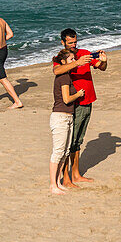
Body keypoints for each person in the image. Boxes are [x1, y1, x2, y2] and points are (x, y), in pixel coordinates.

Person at [53, 28, 106, 186]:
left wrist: (103, 60)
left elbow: (102, 67)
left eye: (75, 42)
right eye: (70, 43)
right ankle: (67, 178)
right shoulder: (62, 57)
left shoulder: (84, 52)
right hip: (74, 104)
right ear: (63, 42)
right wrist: (77, 62)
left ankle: (75, 174)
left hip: (88, 101)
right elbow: (56, 71)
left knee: (78, 141)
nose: (74, 45)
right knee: (70, 142)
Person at [48, 49, 85, 195]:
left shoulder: (67, 76)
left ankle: (57, 182)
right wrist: (78, 94)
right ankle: (53, 185)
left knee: (65, 152)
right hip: (60, 116)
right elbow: (66, 99)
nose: (74, 61)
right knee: (58, 152)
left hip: (67, 116)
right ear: (63, 62)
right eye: (71, 59)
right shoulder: (63, 77)